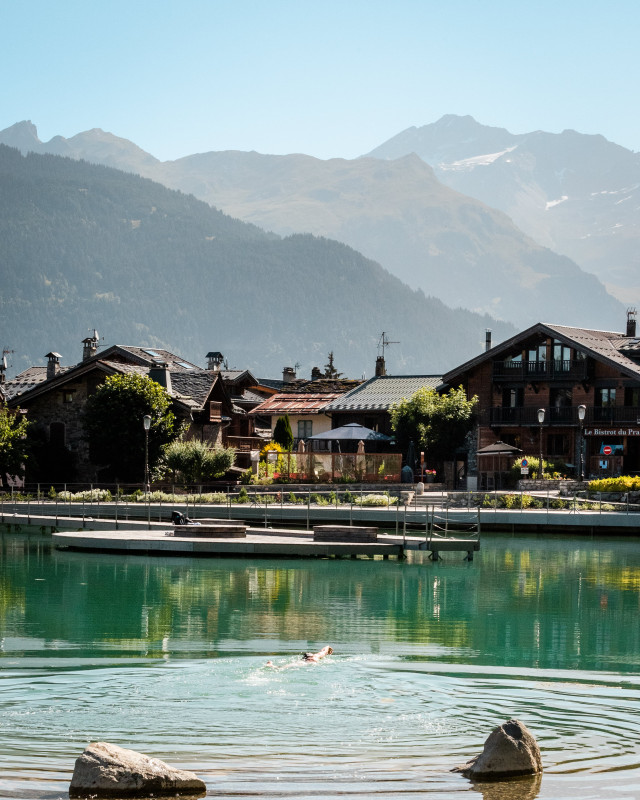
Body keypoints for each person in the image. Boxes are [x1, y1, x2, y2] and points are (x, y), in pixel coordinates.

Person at [266, 646, 333, 669]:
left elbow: (324, 650)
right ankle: (271, 665)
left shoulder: (301, 662)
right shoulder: (316, 657)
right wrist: (328, 648)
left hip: (302, 665)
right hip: (310, 665)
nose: (311, 659)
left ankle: (271, 665)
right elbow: (324, 651)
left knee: (282, 667)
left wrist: (271, 665)